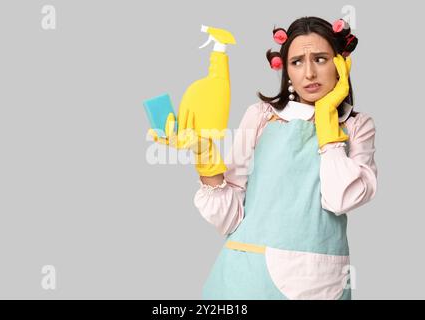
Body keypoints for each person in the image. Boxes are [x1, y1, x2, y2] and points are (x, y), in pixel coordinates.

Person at [149, 16, 377, 300]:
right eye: (297, 62)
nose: (308, 73)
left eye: (320, 59)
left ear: (341, 63)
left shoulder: (357, 127)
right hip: (246, 279)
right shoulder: (261, 116)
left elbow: (340, 198)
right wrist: (205, 156)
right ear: (286, 70)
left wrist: (328, 118)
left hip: (321, 284)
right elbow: (230, 217)